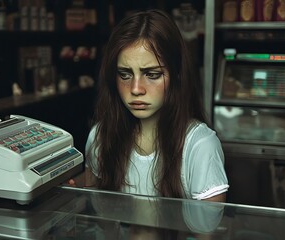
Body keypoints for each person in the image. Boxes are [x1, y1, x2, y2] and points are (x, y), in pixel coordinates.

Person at [71, 9, 229, 202]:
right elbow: (101, 221)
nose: (136, 89)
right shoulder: (100, 137)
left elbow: (206, 232)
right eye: (125, 74)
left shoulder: (199, 146)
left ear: (177, 75)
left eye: (152, 75)